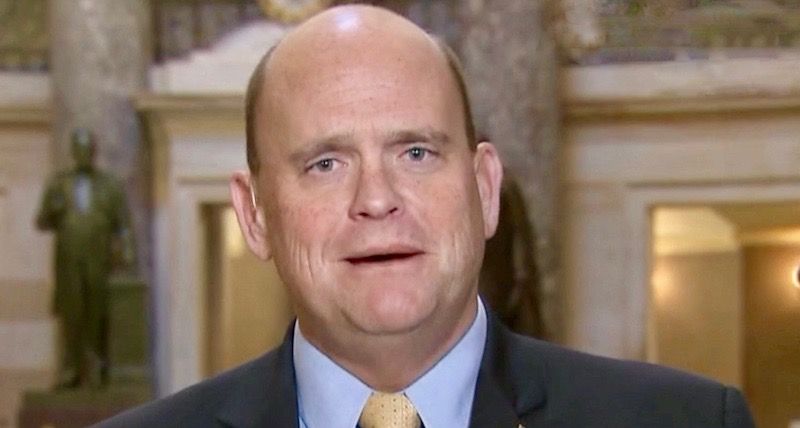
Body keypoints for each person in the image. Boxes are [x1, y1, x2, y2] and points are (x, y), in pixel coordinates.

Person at [99, 5, 754, 427]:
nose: (376, 198)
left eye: (415, 152)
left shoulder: (688, 421)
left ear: (485, 189)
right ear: (255, 214)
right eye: (325, 163)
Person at [36, 128, 135, 388]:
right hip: (69, 260)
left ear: (93, 152)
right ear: (73, 152)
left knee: (97, 314)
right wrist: (54, 209)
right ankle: (71, 370)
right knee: (72, 314)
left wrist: (127, 251)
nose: (83, 155)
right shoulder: (59, 184)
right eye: (79, 149)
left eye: (87, 150)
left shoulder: (109, 185)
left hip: (98, 258)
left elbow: (123, 223)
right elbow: (42, 221)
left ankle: (99, 367)